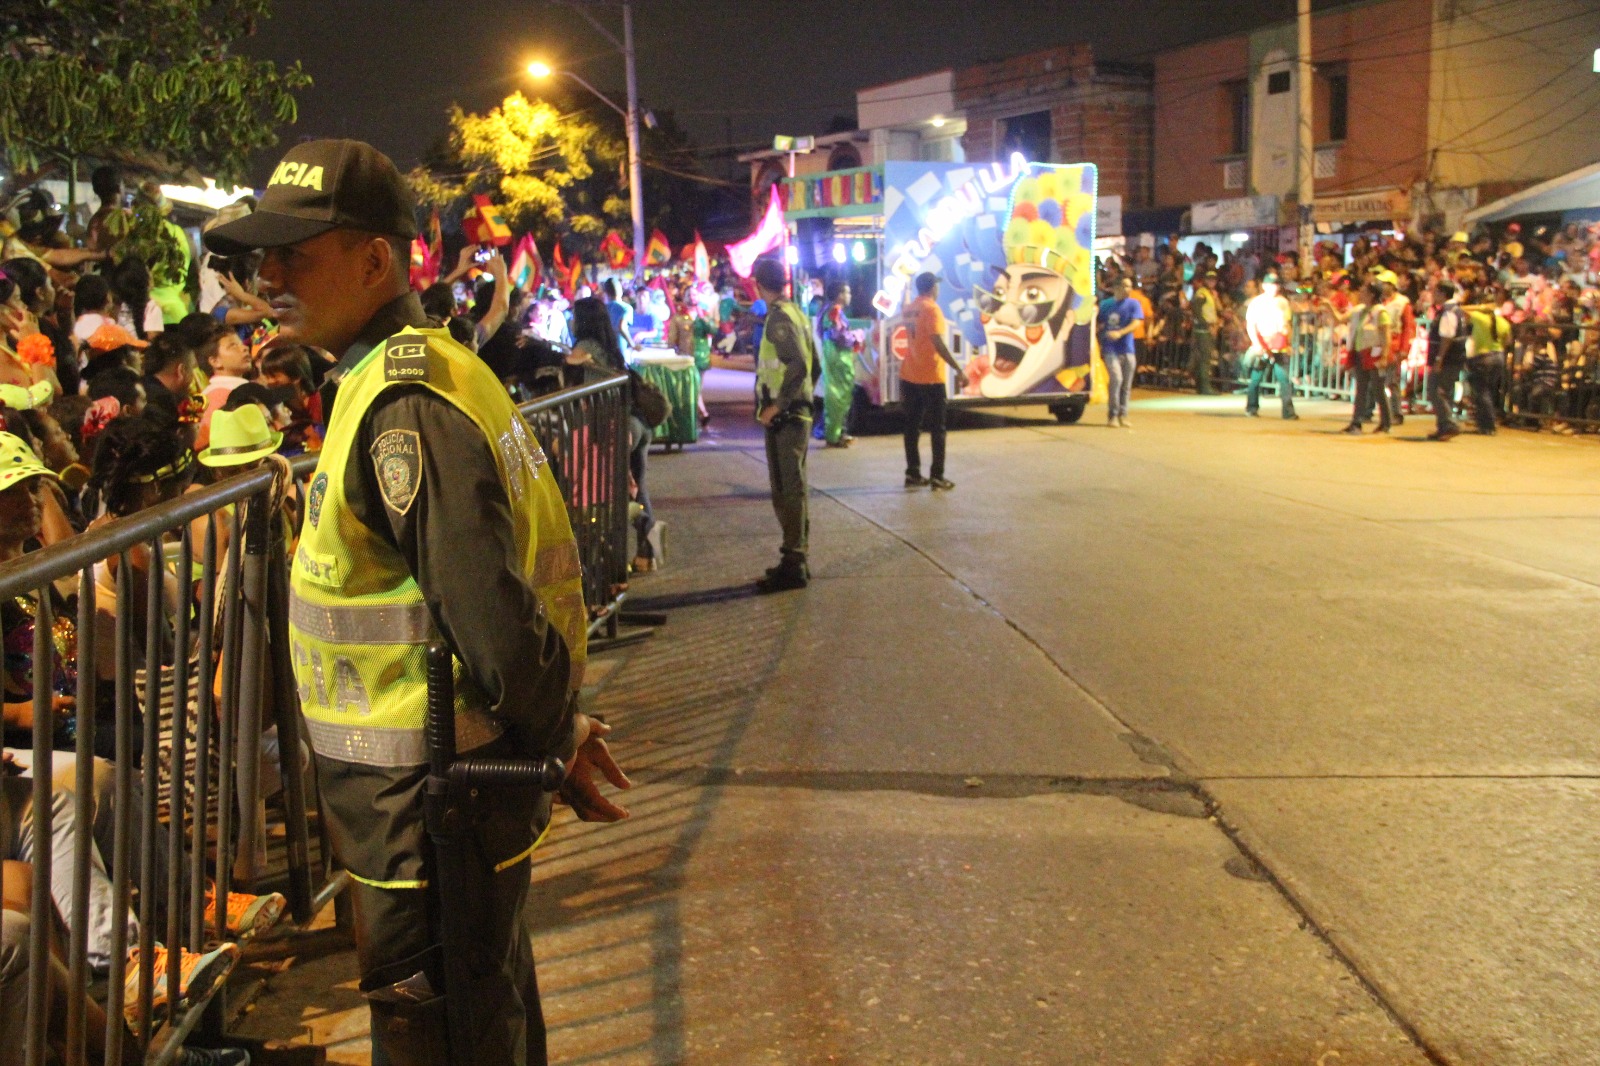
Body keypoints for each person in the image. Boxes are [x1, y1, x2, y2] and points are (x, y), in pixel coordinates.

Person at [203, 138, 630, 1066]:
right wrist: (559, 728)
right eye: (263, 256)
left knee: (442, 1033)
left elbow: (492, 621)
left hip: (431, 804)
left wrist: (556, 731)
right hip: (427, 797)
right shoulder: (400, 374)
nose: (268, 276)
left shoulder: (403, 405)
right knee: (484, 1007)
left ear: (375, 260)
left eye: (296, 255)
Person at [570, 297, 656, 572]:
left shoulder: (585, 346)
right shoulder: (611, 346)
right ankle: (647, 553)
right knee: (637, 489)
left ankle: (612, 568)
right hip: (636, 423)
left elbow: (569, 363)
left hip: (613, 427)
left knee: (608, 494)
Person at [752, 257, 817, 591]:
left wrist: (779, 405)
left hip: (787, 418)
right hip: (797, 414)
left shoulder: (779, 318)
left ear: (759, 284)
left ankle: (793, 563)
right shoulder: (798, 314)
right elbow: (813, 365)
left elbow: (799, 364)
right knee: (794, 487)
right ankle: (796, 558)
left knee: (787, 489)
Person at [900, 272, 968, 486]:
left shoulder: (910, 309)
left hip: (909, 375)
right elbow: (937, 342)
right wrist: (958, 369)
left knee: (912, 426)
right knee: (937, 428)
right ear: (932, 288)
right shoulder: (932, 309)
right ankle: (937, 476)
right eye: (937, 286)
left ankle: (912, 473)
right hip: (930, 377)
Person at [1244, 272, 1298, 420]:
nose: (1274, 287)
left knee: (1284, 379)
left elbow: (1287, 324)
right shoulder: (1257, 302)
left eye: (1276, 284)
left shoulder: (1283, 302)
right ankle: (1251, 407)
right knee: (1256, 378)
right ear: (1264, 286)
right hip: (1263, 342)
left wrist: (1288, 340)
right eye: (1271, 284)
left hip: (1278, 344)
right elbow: (1251, 325)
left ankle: (1288, 412)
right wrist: (1256, 343)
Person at [1341, 282, 1392, 435]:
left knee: (1378, 389)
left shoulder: (1380, 312)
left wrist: (1384, 355)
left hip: (1374, 353)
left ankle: (1385, 423)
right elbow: (1340, 319)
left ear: (1371, 295)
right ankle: (1356, 422)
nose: (1359, 293)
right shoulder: (1359, 311)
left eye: (1363, 291)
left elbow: (1385, 336)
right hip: (1360, 353)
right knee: (1361, 389)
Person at [816, 281, 857, 447]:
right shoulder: (834, 311)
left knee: (837, 397)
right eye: (847, 292)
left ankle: (837, 432)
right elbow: (839, 336)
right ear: (840, 295)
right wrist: (856, 337)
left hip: (833, 358)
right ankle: (834, 435)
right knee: (838, 397)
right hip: (838, 359)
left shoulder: (827, 310)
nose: (850, 296)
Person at [1426, 281, 1468, 441]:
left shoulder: (1448, 312)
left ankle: (1449, 424)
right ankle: (1443, 427)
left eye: (1436, 292)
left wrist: (1439, 359)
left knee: (1436, 390)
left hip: (1448, 359)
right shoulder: (1455, 310)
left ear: (1443, 294)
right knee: (1445, 392)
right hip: (1454, 359)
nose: (1433, 295)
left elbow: (1446, 337)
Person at [1098, 276, 1141, 428]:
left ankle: (1124, 414)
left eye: (1130, 286)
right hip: (1110, 348)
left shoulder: (1134, 304)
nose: (1128, 289)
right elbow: (1098, 322)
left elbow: (1136, 322)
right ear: (1116, 287)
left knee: (1126, 384)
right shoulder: (1106, 304)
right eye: (1125, 286)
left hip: (1127, 348)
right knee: (1116, 379)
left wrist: (1121, 332)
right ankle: (1113, 415)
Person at [1189, 269, 1220, 394]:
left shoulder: (1209, 293)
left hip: (1205, 328)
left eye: (1214, 280)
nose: (1212, 282)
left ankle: (1202, 386)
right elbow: (1196, 309)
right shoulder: (1203, 293)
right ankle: (1205, 387)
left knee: (1203, 358)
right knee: (1205, 358)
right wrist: (1206, 324)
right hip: (1203, 330)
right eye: (1209, 279)